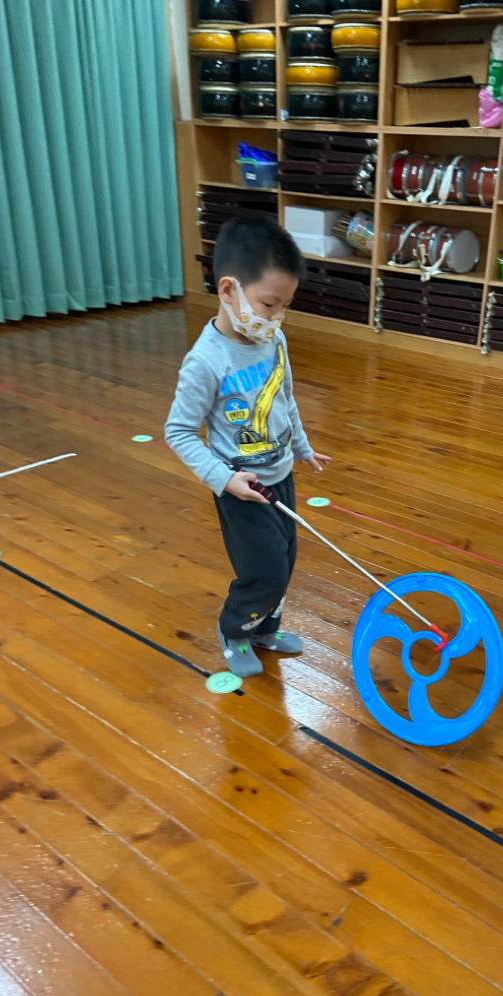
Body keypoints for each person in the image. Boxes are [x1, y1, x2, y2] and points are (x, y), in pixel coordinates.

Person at [165, 215, 330, 678]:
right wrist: (224, 480)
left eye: (285, 307)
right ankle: (234, 630)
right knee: (264, 570)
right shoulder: (205, 361)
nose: (276, 318)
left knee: (285, 562)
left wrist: (302, 446)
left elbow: (285, 398)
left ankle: (264, 629)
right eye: (269, 305)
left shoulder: (274, 339)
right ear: (228, 290)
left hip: (281, 472)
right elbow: (178, 431)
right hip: (242, 486)